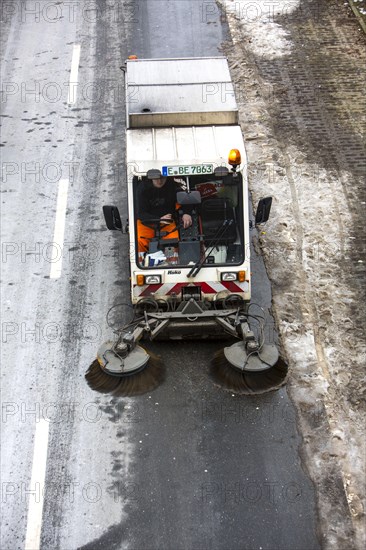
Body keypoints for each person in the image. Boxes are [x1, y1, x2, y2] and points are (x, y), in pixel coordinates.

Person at [136, 175, 192, 255]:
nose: (159, 181)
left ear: (167, 177)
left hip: (167, 222)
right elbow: (140, 213)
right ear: (151, 177)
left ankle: (171, 262)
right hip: (146, 222)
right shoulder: (142, 189)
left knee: (173, 240)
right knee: (138, 240)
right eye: (156, 178)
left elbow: (185, 197)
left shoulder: (173, 185)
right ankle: (141, 261)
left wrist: (187, 213)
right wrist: (159, 219)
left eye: (162, 178)